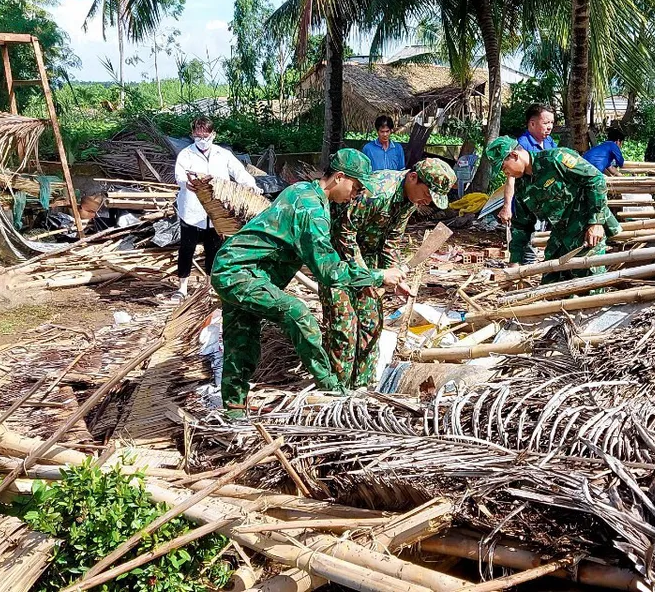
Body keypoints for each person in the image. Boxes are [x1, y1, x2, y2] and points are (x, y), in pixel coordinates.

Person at [211, 149, 406, 412]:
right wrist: (380, 276)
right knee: (297, 313)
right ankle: (331, 388)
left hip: (240, 270)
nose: (356, 194)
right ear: (339, 177)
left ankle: (233, 410)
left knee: (241, 342)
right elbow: (330, 272)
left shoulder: (304, 190)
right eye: (356, 186)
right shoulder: (312, 209)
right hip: (239, 272)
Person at [324, 158, 456, 388]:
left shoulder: (409, 199)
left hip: (370, 264)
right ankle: (338, 389)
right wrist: (371, 277)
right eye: (427, 193)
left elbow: (391, 240)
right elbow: (344, 235)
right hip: (339, 264)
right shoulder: (377, 192)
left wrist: (393, 276)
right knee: (344, 330)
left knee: (371, 325)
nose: (426, 201)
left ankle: (362, 386)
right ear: (413, 177)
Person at [486, 137, 621, 284]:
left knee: (588, 285)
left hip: (586, 229)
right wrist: (515, 262)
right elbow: (521, 226)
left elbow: (595, 179)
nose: (506, 173)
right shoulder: (521, 186)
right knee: (549, 284)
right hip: (562, 234)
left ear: (514, 155)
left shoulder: (556, 159)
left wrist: (596, 222)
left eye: (504, 168)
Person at [174, 116, 257, 300]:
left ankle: (210, 286)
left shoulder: (223, 154)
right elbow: (179, 176)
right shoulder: (186, 155)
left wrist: (251, 185)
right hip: (192, 210)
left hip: (217, 212)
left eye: (206, 136)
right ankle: (182, 288)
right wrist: (187, 183)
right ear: (192, 135)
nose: (202, 140)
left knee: (214, 249)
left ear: (213, 134)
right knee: (187, 248)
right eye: (198, 136)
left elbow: (240, 173)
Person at [497, 104, 558, 225]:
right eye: (546, 123)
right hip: (528, 206)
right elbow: (511, 178)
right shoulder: (521, 146)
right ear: (532, 123)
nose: (550, 127)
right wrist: (507, 206)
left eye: (552, 122)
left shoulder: (549, 141)